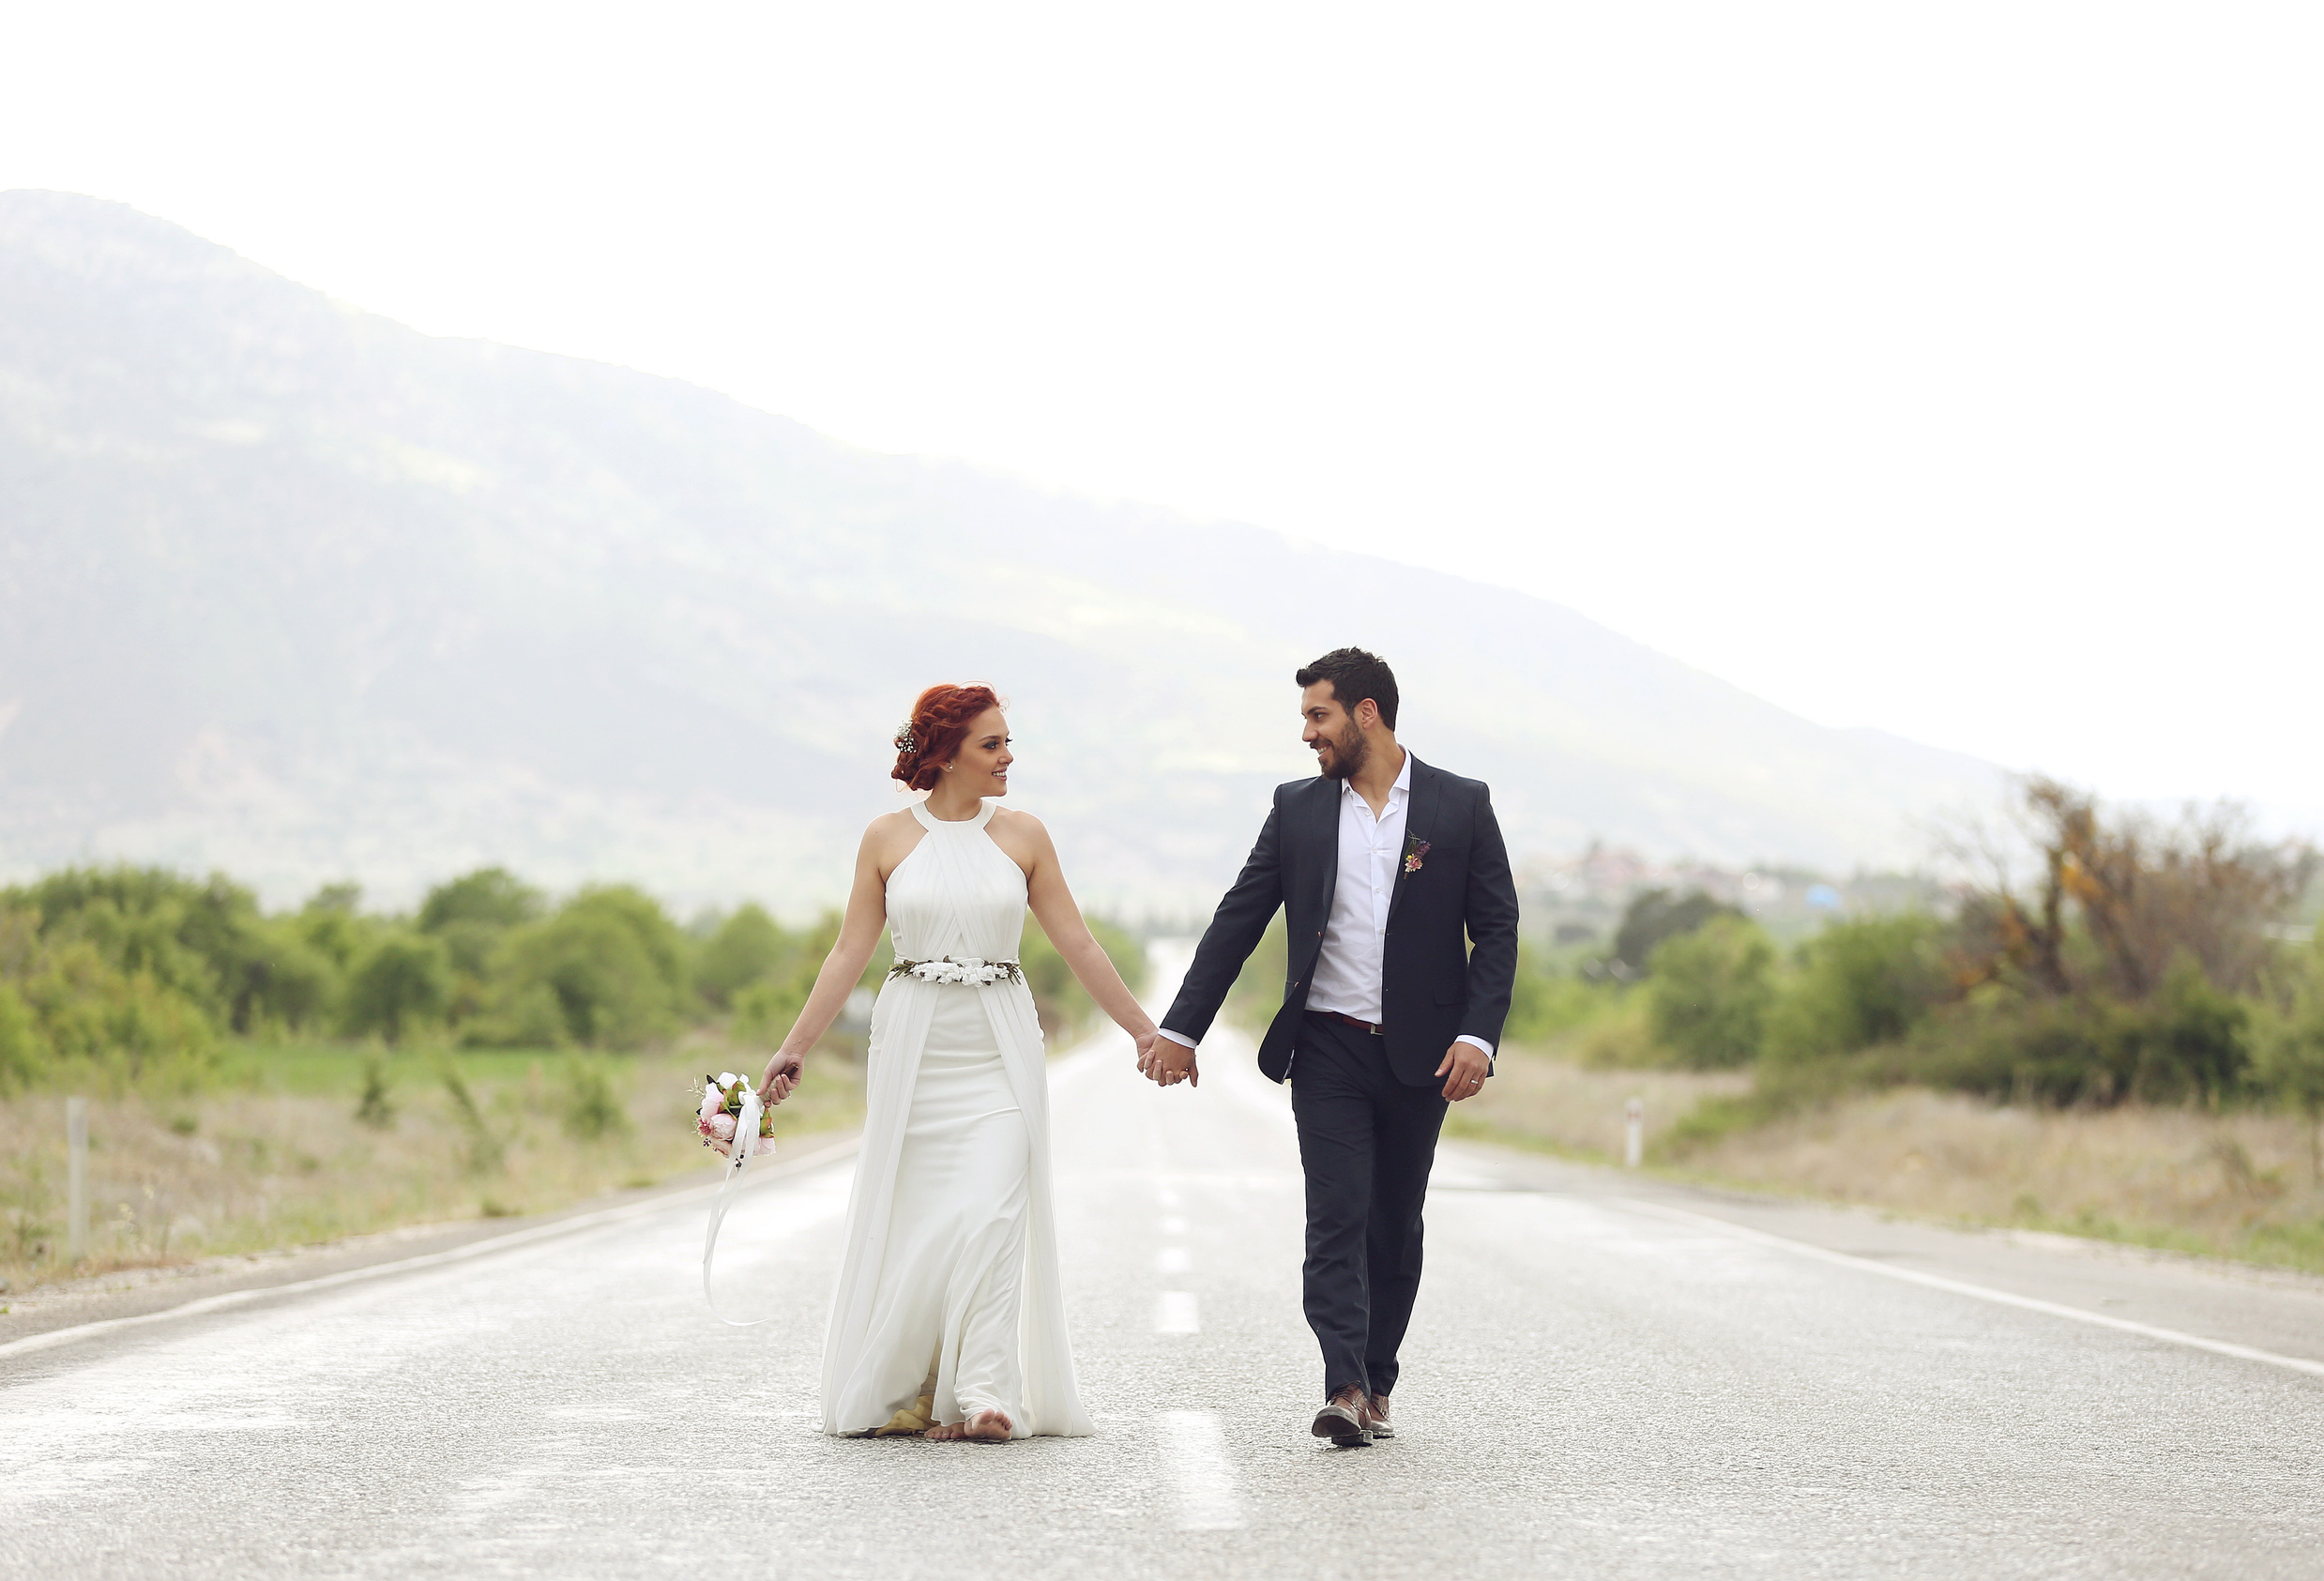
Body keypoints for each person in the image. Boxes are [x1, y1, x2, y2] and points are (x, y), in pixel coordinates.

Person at [760, 683, 1159, 1440]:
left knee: (992, 1211)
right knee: (922, 1222)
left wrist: (1142, 1031)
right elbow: (851, 949)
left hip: (998, 1040)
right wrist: (795, 1045)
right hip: (914, 1040)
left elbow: (1077, 941)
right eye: (992, 744)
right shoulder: (885, 838)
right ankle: (914, 1385)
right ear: (944, 753)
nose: (1008, 757)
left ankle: (985, 1391)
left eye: (1008, 742)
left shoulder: (1024, 836)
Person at [1142, 647, 1519, 1447]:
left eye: (1318, 715)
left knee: (1395, 1222)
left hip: (1423, 1056)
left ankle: (1378, 1379)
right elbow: (1237, 919)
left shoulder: (1460, 805)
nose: (1308, 733)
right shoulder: (1298, 809)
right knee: (1336, 1216)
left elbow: (1496, 930)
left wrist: (1477, 1034)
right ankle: (1342, 1384)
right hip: (1326, 1050)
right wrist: (1180, 1028)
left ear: (1367, 713)